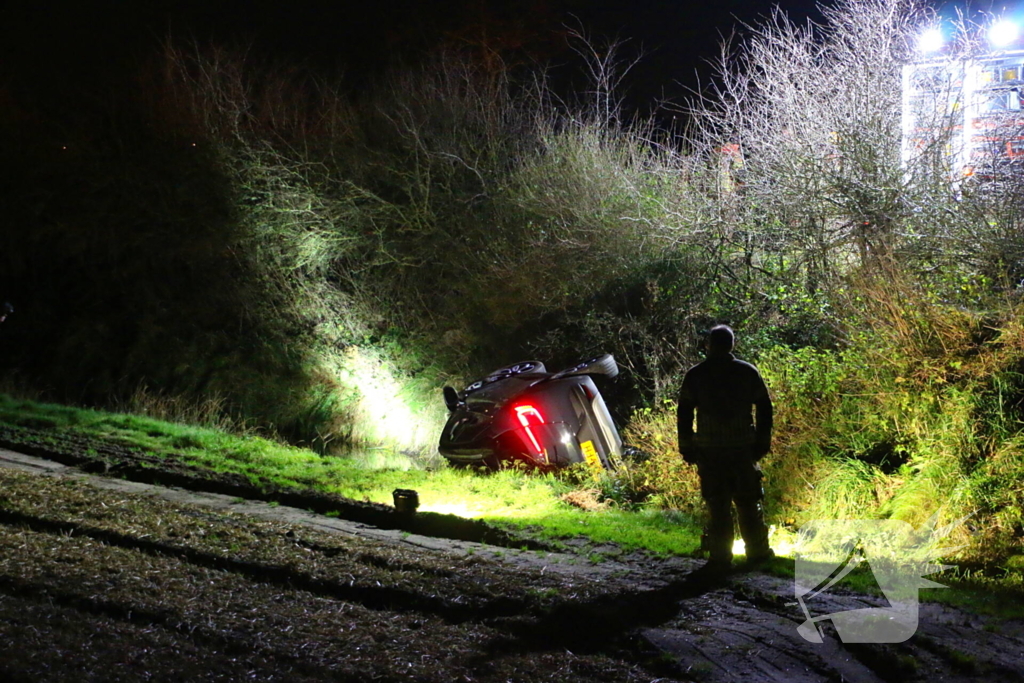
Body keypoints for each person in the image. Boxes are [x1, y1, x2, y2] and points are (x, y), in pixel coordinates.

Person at [677, 324, 774, 573]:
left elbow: (685, 412)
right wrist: (763, 441)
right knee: (748, 502)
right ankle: (757, 552)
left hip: (709, 450)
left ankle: (720, 557)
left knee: (718, 505)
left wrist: (686, 445)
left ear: (709, 345)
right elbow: (764, 406)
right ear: (731, 345)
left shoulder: (696, 375)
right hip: (743, 448)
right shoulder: (747, 372)